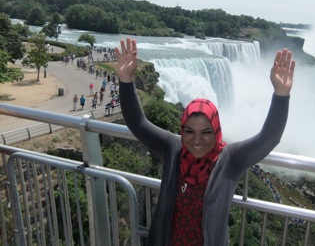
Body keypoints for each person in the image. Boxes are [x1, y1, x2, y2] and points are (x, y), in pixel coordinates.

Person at [115, 37, 295, 246]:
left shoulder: (230, 159)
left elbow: (269, 138)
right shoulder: (173, 149)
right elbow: (138, 124)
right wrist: (126, 81)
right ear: (182, 130)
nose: (197, 140)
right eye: (190, 131)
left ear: (217, 131)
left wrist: (281, 95)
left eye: (206, 132)